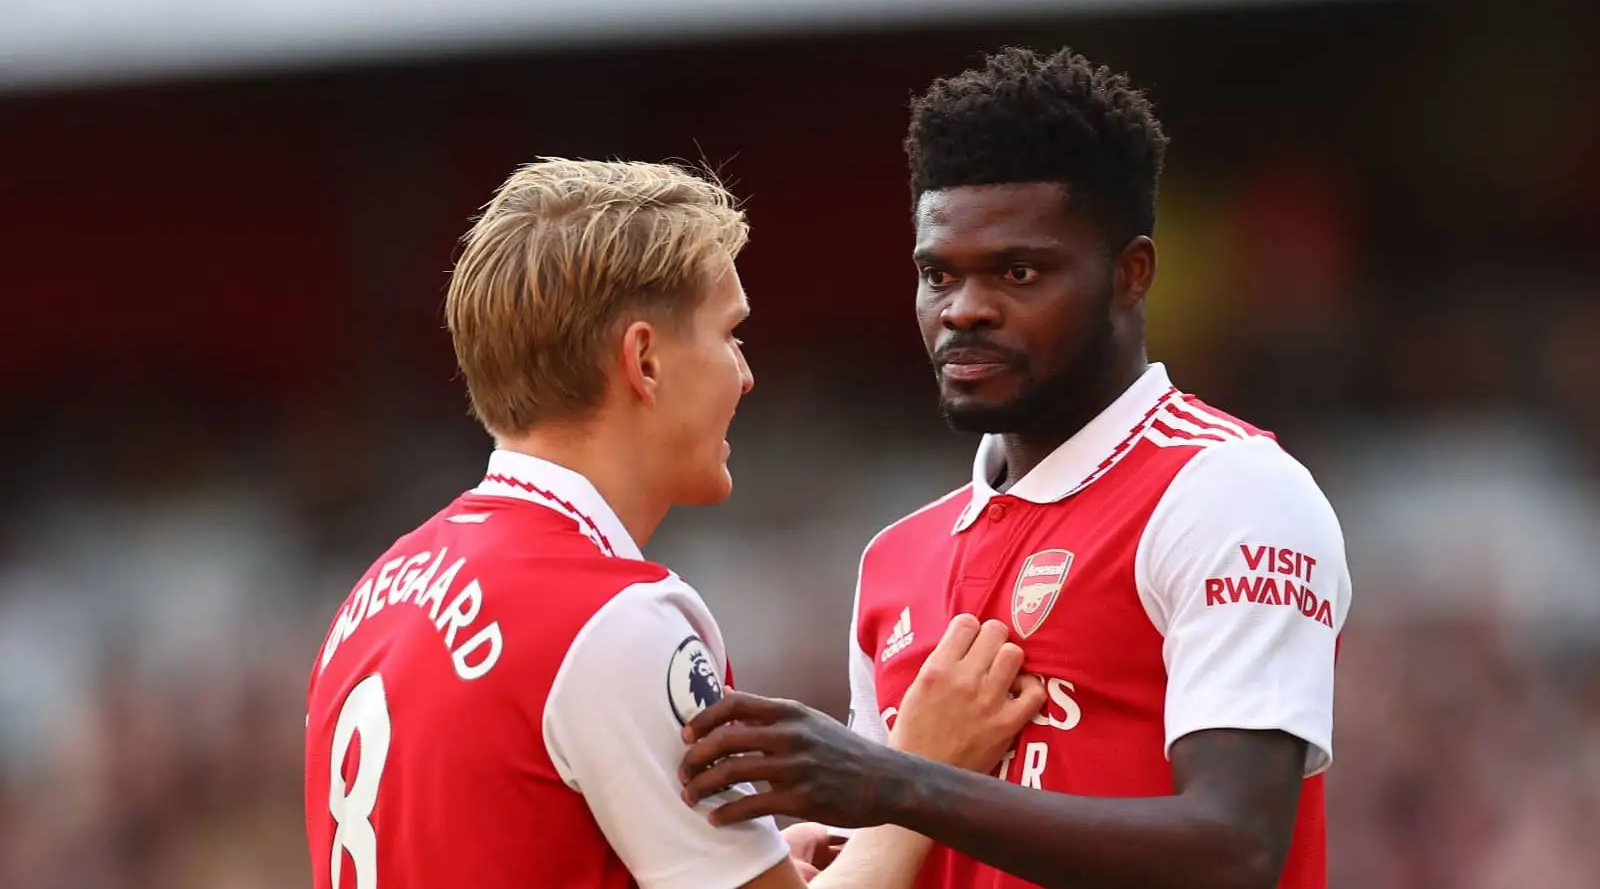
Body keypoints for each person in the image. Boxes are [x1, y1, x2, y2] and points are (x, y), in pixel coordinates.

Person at [678, 47, 1353, 889]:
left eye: (1018, 271)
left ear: (1130, 275)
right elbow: (931, 840)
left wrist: (895, 780)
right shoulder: (895, 561)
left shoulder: (1229, 492)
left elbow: (1234, 850)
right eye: (938, 274)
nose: (965, 309)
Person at [302, 158, 1044, 889]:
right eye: (730, 335)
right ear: (645, 361)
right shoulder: (614, 621)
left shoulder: (374, 595)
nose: (746, 375)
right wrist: (920, 777)